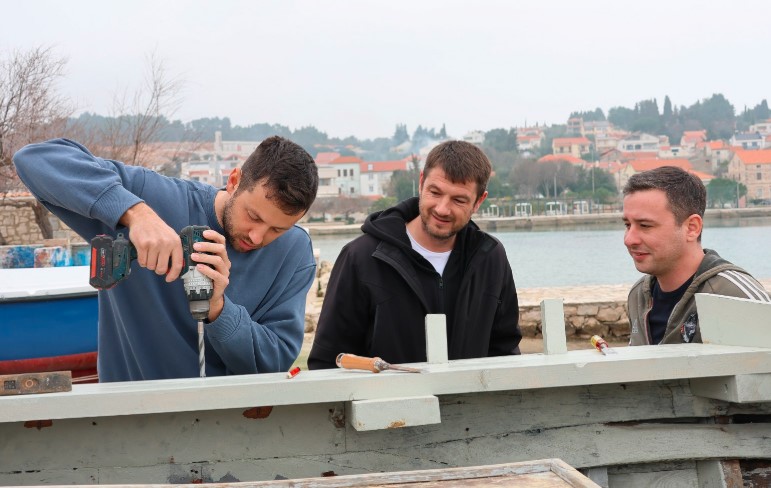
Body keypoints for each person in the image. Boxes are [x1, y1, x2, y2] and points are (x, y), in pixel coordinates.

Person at [13, 137, 319, 381]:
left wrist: (219, 310)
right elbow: (35, 159)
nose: (257, 236)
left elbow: (275, 363)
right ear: (234, 180)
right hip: (129, 422)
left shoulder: (294, 251)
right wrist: (136, 214)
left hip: (231, 431)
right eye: (253, 216)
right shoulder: (153, 196)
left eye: (277, 229)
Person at [308, 140, 521, 369]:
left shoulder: (491, 258)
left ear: (479, 201)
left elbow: (505, 352)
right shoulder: (360, 257)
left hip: (469, 404)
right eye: (435, 192)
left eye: (458, 200)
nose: (442, 208)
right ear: (421, 183)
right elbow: (328, 361)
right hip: (384, 404)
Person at [622, 165, 770, 346]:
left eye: (645, 225)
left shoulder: (733, 294)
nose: (629, 239)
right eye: (628, 225)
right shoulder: (638, 296)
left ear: (692, 228)